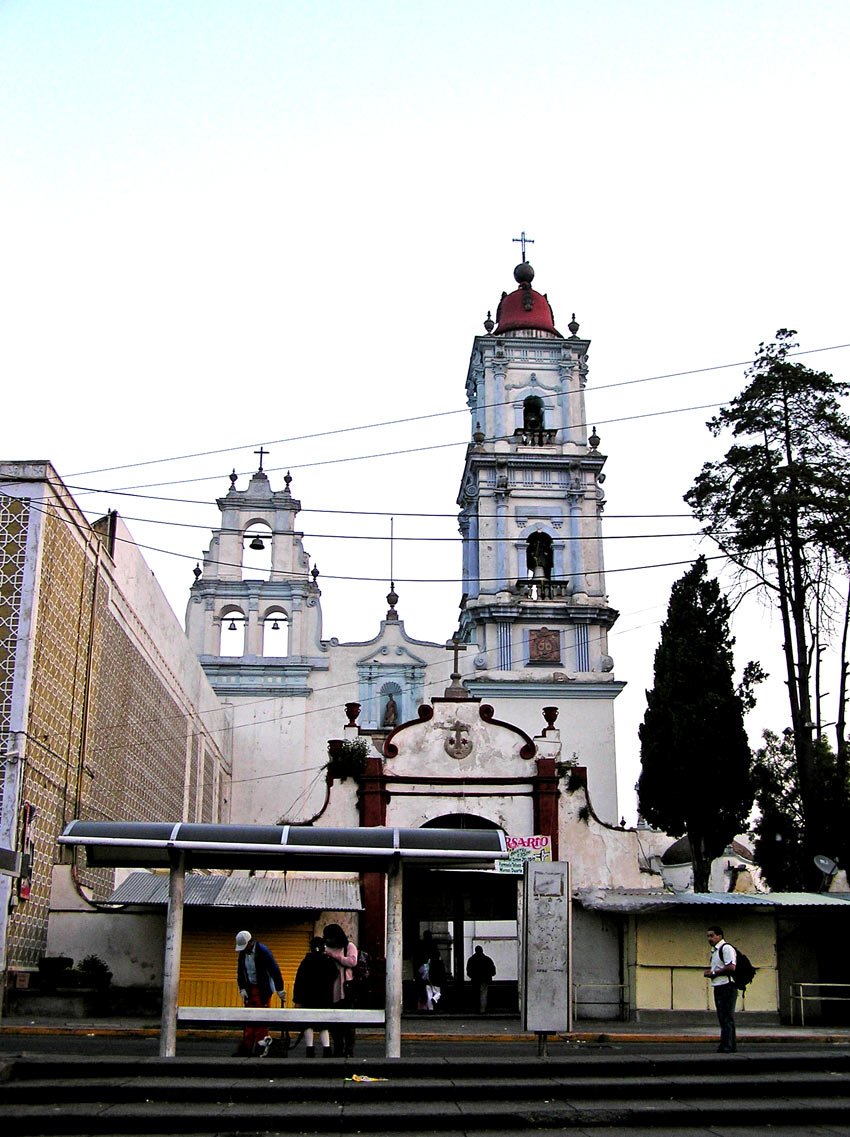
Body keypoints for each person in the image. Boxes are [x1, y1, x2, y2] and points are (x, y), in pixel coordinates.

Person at [234, 929, 285, 1057]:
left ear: (251, 942)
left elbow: (274, 970)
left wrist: (280, 989)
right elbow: (240, 971)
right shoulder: (243, 953)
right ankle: (247, 1049)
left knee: (261, 1020)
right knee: (249, 1020)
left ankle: (260, 1047)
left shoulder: (263, 951)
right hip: (250, 989)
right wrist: (242, 988)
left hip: (262, 990)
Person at [293, 936, 338, 1057]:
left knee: (308, 1024)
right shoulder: (328, 962)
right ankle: (327, 1049)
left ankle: (310, 1049)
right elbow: (335, 974)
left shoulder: (306, 962)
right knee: (323, 1025)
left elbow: (299, 982)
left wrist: (297, 1000)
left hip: (308, 997)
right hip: (324, 997)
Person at [323, 922, 358, 1057]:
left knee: (348, 1023)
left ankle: (349, 1049)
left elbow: (352, 962)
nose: (328, 940)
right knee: (334, 1023)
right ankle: (337, 1047)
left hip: (346, 988)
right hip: (331, 989)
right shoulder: (326, 948)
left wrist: (336, 957)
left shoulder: (349, 947)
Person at [704, 924, 737, 1053]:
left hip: (727, 986)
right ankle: (727, 1044)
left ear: (719, 936)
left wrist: (714, 973)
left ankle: (728, 1046)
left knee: (727, 1017)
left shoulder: (726, 948)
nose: (709, 939)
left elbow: (731, 967)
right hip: (719, 986)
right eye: (708, 936)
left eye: (712, 936)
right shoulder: (715, 952)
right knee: (723, 1018)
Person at [466, 945, 497, 1013]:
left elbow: (469, 970)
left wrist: (472, 976)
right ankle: (482, 1009)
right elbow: (493, 970)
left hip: (475, 980)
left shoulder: (471, 959)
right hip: (485, 979)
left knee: (475, 994)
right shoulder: (487, 959)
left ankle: (476, 1009)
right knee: (483, 994)